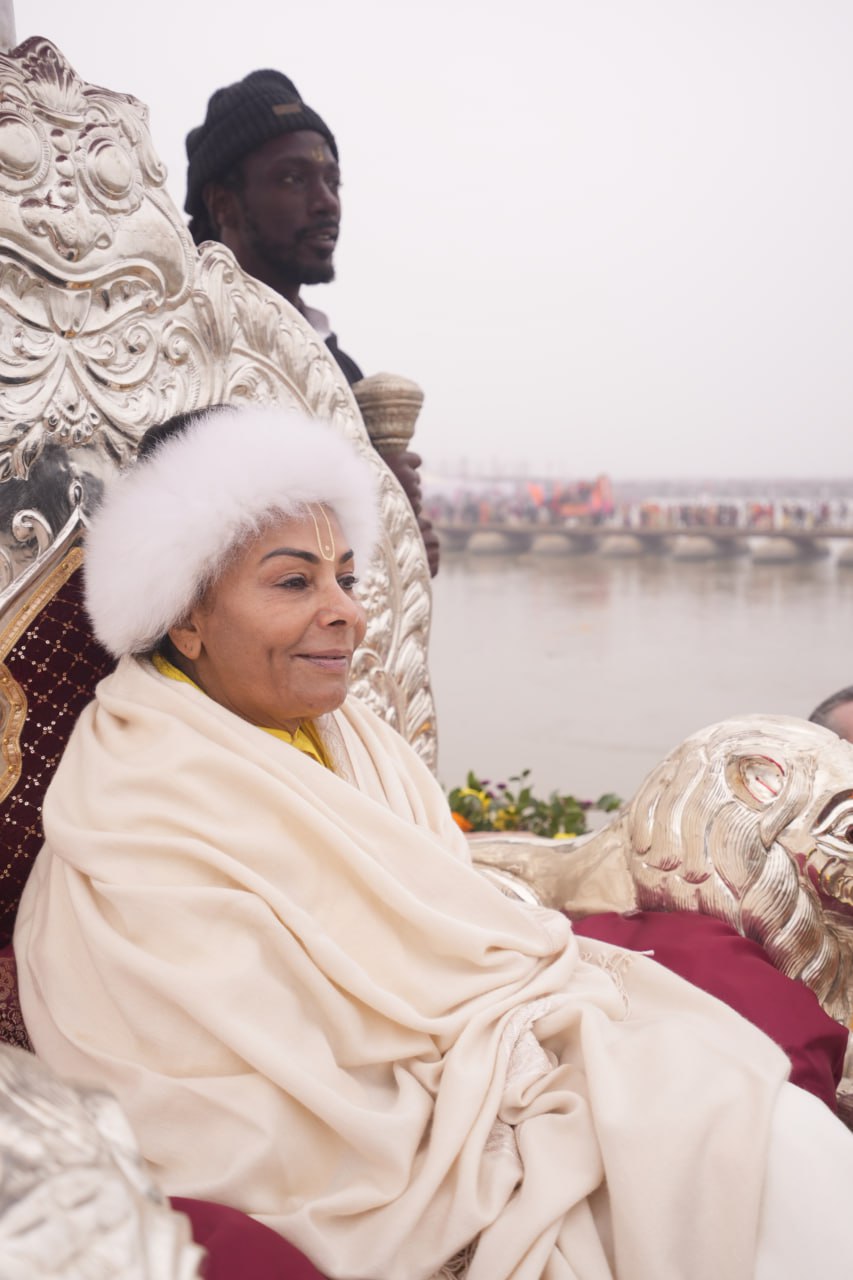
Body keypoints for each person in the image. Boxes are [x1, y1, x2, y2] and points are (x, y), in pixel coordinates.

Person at [14, 404, 853, 1280]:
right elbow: (240, 1079)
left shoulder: (351, 735)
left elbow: (452, 939)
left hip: (482, 1055)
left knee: (748, 1120)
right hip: (360, 1133)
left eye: (346, 577)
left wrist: (505, 1043)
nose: (346, 614)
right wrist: (485, 1085)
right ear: (186, 617)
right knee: (705, 1136)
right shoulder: (137, 795)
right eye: (294, 583)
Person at [184, 69, 439, 577]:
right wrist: (369, 495)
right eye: (292, 179)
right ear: (222, 202)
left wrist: (405, 545)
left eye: (332, 181)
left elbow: (371, 581)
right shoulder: (179, 348)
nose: (326, 202)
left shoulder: (341, 369)